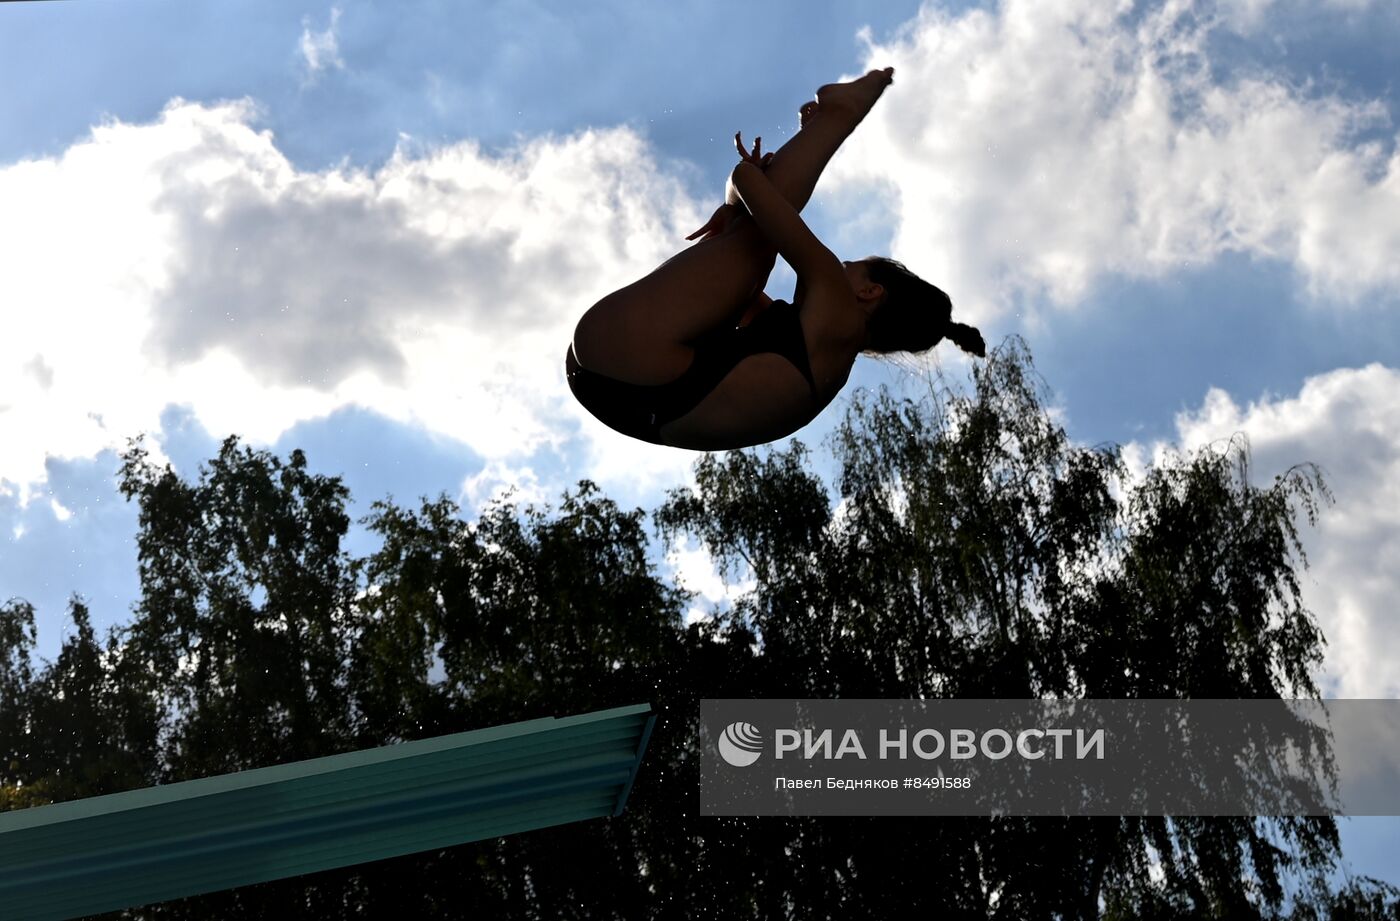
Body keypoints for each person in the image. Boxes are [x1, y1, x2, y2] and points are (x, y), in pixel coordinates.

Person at [566, 66, 984, 451]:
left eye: (852, 267)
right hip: (624, 392)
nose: (841, 267)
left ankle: (842, 114)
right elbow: (736, 293)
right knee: (751, 239)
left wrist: (748, 193)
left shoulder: (838, 309)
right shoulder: (827, 358)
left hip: (624, 354)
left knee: (756, 239)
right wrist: (742, 208)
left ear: (871, 291)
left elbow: (746, 183)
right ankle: (828, 124)